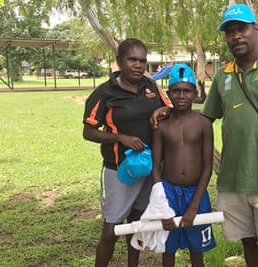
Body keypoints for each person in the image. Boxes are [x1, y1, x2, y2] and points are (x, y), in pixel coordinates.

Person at [151, 4, 258, 267]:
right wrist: (172, 109)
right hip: (233, 180)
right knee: (249, 244)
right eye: (230, 32)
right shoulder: (224, 76)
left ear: (256, 30)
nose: (236, 36)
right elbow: (204, 116)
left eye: (242, 29)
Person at [82, 38, 171, 267]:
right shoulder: (105, 92)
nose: (138, 65)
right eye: (132, 59)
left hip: (149, 167)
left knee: (137, 223)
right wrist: (120, 138)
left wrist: (162, 110)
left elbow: (169, 109)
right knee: (111, 230)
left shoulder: (151, 87)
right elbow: (88, 131)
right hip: (119, 169)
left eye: (142, 60)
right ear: (119, 61)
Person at [151, 64, 216, 267]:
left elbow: (207, 167)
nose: (181, 96)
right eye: (176, 91)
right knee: (168, 248)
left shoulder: (203, 123)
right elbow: (155, 168)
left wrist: (194, 206)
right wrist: (163, 207)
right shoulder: (161, 124)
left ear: (195, 93)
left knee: (197, 249)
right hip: (168, 192)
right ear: (168, 93)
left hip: (196, 193)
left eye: (186, 91)